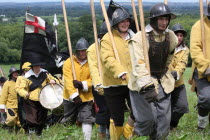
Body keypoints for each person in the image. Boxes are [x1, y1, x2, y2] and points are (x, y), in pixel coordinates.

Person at [128, 3, 178, 139]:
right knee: (147, 121)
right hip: (142, 84)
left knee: (164, 123)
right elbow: (139, 65)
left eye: (166, 19)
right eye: (161, 19)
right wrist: (147, 86)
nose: (164, 22)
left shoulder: (171, 36)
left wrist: (167, 73)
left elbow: (169, 57)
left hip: (162, 81)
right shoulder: (139, 38)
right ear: (154, 20)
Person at [100, 7, 135, 140]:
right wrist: (120, 72)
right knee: (117, 117)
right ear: (116, 23)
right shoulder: (107, 38)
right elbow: (108, 59)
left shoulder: (135, 37)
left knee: (139, 111)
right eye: (122, 21)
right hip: (113, 84)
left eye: (127, 21)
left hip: (132, 82)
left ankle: (128, 132)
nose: (125, 24)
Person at [61, 37, 94, 140]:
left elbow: (94, 78)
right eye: (81, 50)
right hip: (70, 97)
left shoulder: (92, 61)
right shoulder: (68, 62)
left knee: (87, 118)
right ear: (77, 51)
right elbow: (67, 80)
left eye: (85, 50)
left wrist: (82, 84)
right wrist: (74, 95)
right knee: (69, 120)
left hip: (86, 96)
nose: (83, 52)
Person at [17, 58, 58, 135]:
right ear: (32, 67)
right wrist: (25, 93)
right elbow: (20, 89)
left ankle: (39, 134)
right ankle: (31, 134)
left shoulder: (45, 73)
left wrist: (54, 81)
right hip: (31, 101)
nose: (37, 68)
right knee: (32, 120)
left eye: (38, 66)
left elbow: (53, 79)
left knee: (42, 119)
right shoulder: (27, 76)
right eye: (35, 66)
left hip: (43, 100)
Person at [87, 21, 111, 139]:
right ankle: (102, 135)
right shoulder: (92, 49)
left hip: (113, 83)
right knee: (104, 110)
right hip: (100, 84)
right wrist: (98, 84)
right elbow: (94, 68)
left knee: (114, 111)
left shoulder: (113, 46)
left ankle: (112, 134)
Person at [190, 2, 210, 130]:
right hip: (203, 70)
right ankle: (201, 126)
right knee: (206, 99)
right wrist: (206, 66)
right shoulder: (198, 26)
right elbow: (194, 50)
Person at [169, 23, 189, 130]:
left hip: (178, 83)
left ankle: (173, 124)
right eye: (177, 35)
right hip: (165, 83)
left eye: (181, 35)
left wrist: (176, 72)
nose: (179, 38)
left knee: (182, 107)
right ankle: (166, 127)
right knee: (166, 108)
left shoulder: (185, 50)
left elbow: (182, 63)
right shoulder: (166, 46)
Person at [0, 66, 21, 131]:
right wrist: (2, 107)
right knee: (11, 120)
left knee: (19, 122)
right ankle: (7, 127)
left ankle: (17, 133)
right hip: (11, 105)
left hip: (20, 105)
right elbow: (4, 96)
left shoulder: (20, 82)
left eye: (17, 72)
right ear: (11, 74)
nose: (16, 74)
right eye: (14, 73)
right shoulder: (7, 83)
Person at [15, 62, 31, 132]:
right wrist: (24, 93)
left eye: (29, 70)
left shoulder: (32, 77)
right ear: (23, 70)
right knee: (23, 116)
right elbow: (17, 88)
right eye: (26, 70)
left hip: (31, 98)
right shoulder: (20, 78)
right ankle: (26, 129)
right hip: (22, 99)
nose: (27, 71)